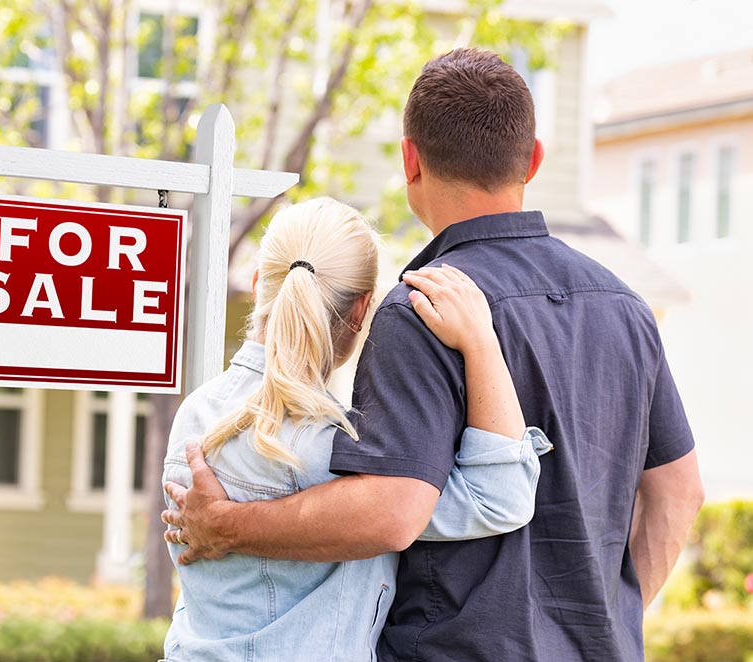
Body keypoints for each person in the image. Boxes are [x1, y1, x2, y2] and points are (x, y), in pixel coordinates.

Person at [163, 48, 705, 661]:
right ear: (533, 160)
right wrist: (607, 625)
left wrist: (229, 525)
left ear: (409, 159)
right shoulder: (626, 308)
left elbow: (390, 510)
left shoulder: (420, 310)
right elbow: (679, 492)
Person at [160, 197, 551, 661]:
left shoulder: (196, 413)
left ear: (257, 284)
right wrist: (481, 342)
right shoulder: (335, 447)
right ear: (362, 309)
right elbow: (498, 496)